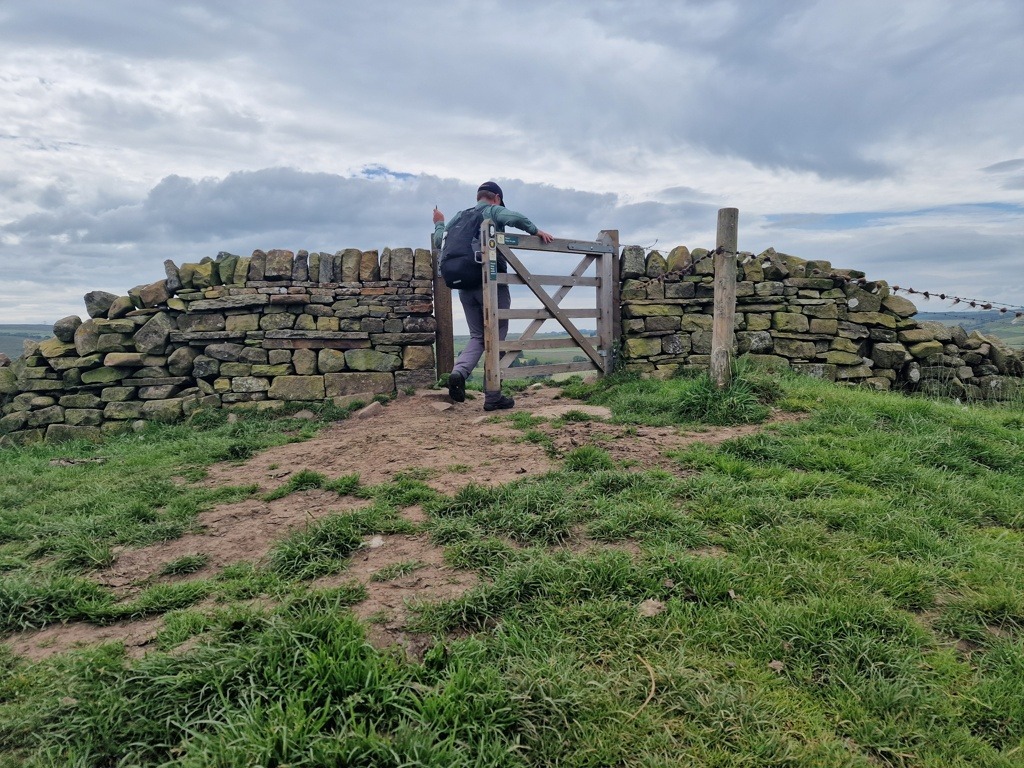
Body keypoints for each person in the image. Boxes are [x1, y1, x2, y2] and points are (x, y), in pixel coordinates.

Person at [432, 181, 553, 410]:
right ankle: (493, 395)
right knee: (496, 337)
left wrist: (439, 223)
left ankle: (459, 372)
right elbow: (515, 218)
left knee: (477, 336)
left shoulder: (459, 217)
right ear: (496, 198)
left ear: (478, 196)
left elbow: (439, 241)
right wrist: (535, 230)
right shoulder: (492, 210)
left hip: (463, 286)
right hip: (491, 283)